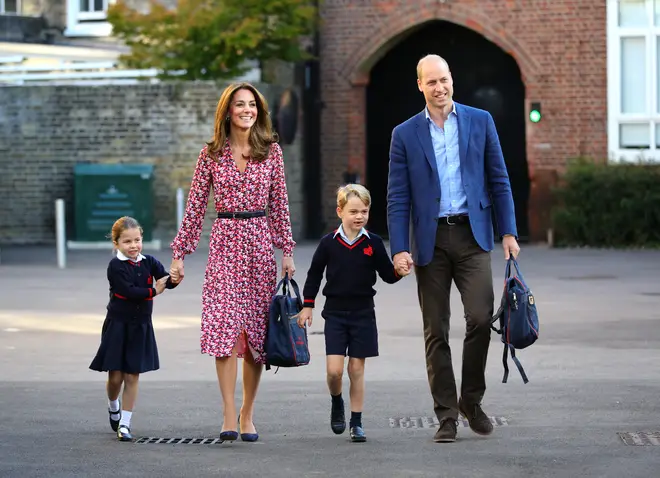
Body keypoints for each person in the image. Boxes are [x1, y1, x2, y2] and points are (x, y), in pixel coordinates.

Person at [387, 54, 521, 443]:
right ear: (420, 86)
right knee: (436, 330)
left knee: (480, 318)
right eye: (431, 82)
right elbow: (398, 198)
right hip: (429, 241)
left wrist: (508, 232)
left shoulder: (480, 121)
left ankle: (471, 401)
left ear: (452, 79)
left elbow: (500, 180)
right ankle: (446, 414)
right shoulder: (405, 133)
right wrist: (398, 248)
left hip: (473, 235)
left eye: (443, 79)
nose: (439, 88)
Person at [168, 82, 296, 443]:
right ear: (227, 110)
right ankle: (227, 411)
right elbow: (194, 208)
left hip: (258, 244)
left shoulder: (271, 152)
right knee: (224, 330)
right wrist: (179, 253)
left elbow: (280, 205)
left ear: (259, 110)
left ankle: (247, 413)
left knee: (255, 334)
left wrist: (286, 250)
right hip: (224, 243)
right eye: (239, 104)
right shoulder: (210, 154)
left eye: (252, 105)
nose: (247, 110)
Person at [295, 184, 408, 443]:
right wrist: (308, 304)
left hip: (363, 314)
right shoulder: (328, 243)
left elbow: (387, 275)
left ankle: (356, 422)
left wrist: (399, 272)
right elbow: (314, 274)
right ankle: (337, 401)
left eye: (364, 211)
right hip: (334, 314)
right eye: (354, 211)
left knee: (356, 369)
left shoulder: (374, 243)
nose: (359, 216)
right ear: (340, 211)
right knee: (335, 371)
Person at [89, 216, 178, 441]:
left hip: (141, 326)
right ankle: (113, 405)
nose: (133, 246)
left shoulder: (149, 261)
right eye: (127, 241)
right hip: (118, 326)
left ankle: (125, 424)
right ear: (116, 243)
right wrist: (154, 291)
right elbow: (128, 292)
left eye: (137, 240)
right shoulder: (115, 266)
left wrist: (174, 278)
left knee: (132, 375)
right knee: (115, 377)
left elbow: (164, 278)